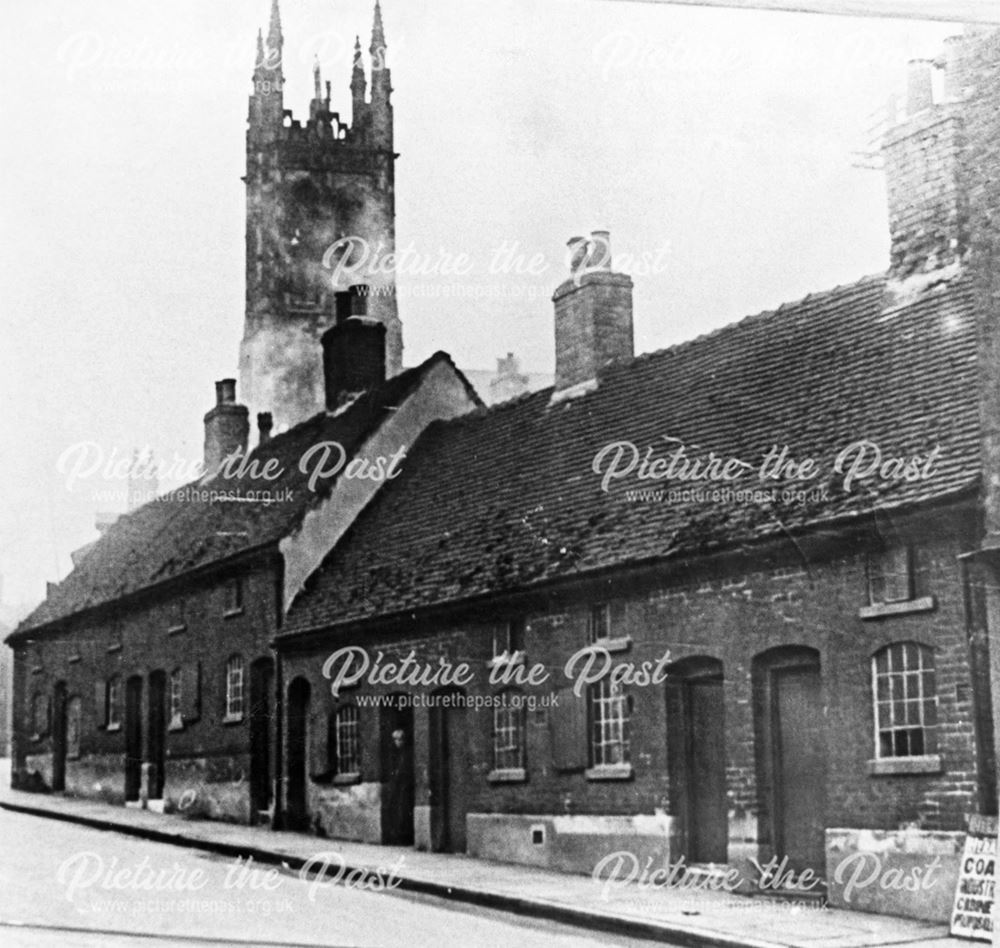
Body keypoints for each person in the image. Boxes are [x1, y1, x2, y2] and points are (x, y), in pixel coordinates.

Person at [385, 727, 414, 844]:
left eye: (400, 739)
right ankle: (396, 836)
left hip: (404, 787)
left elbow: (404, 770)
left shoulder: (407, 753)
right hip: (397, 786)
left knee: (403, 811)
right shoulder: (394, 754)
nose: (398, 742)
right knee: (395, 810)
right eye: (396, 740)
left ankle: (403, 837)